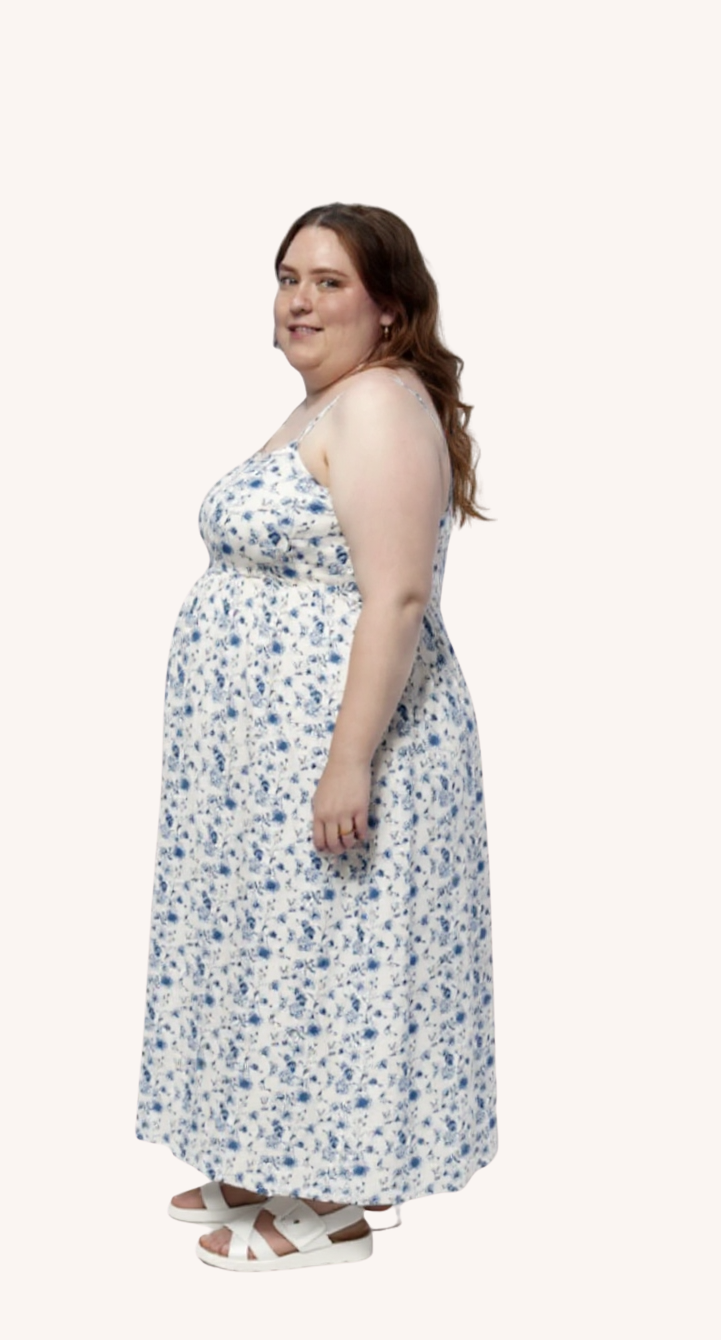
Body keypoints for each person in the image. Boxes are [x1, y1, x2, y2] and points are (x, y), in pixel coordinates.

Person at [135, 202, 497, 1272]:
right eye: (289, 277)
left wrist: (349, 760)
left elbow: (396, 597)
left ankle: (335, 1202)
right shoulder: (329, 402)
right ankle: (269, 1155)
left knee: (336, 955)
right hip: (264, 756)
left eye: (329, 281)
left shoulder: (378, 404)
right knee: (274, 949)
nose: (298, 299)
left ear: (388, 306)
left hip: (347, 742)